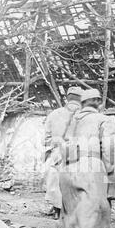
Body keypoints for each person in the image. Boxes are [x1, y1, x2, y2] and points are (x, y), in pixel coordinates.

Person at [58, 88, 115, 228]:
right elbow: (109, 148)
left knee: (72, 209)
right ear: (98, 101)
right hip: (91, 164)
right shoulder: (103, 120)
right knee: (96, 208)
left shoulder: (70, 119)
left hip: (67, 167)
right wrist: (113, 173)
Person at [44, 86, 83, 219]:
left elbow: (46, 138)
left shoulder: (54, 114)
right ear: (81, 99)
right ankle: (73, 210)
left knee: (56, 181)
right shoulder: (84, 115)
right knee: (75, 181)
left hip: (57, 151)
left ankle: (57, 210)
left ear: (67, 98)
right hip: (78, 153)